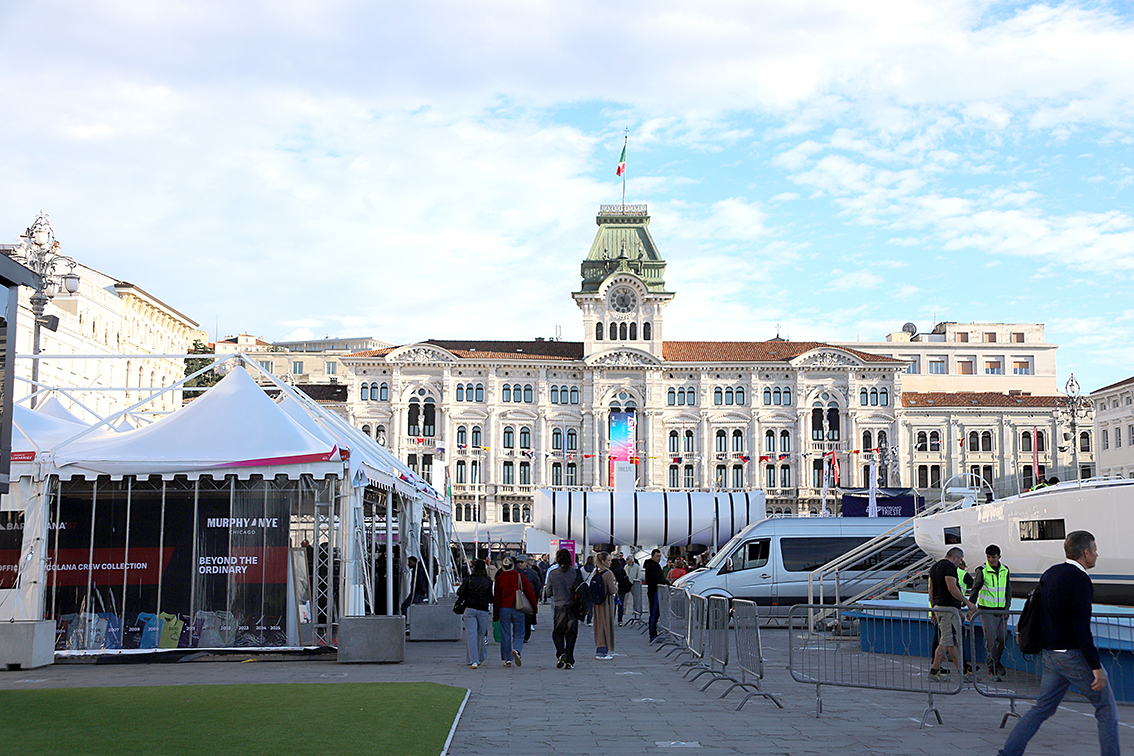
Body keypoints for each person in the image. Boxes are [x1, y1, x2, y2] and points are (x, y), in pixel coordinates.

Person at [999, 531, 1119, 756]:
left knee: (1041, 709)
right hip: (1072, 656)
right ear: (1086, 553)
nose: (1097, 554)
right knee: (1106, 710)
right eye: (1095, 550)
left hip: (1050, 656)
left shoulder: (1051, 573)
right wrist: (1095, 667)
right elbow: (1081, 628)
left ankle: (1008, 753)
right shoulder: (1080, 580)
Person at [928, 546, 978, 681]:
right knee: (946, 641)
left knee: (952, 642)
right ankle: (934, 671)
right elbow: (952, 588)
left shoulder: (934, 567)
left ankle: (962, 672)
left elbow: (931, 591)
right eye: (960, 560)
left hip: (941, 608)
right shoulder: (950, 567)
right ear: (955, 557)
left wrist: (934, 610)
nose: (960, 563)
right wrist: (968, 603)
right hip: (947, 610)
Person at [970, 544, 1012, 680]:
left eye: (993, 557)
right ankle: (992, 669)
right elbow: (975, 589)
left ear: (999, 557)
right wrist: (971, 607)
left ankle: (996, 661)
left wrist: (1007, 608)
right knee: (991, 641)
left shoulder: (1005, 570)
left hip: (1001, 611)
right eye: (988, 557)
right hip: (986, 611)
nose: (990, 560)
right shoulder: (982, 570)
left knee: (1003, 638)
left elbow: (1008, 591)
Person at [493, 556, 537, 668]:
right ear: (513, 565)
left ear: (502, 566)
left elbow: (496, 598)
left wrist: (495, 614)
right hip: (518, 607)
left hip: (504, 608)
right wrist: (534, 608)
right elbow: (529, 592)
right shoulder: (519, 576)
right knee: (519, 632)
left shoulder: (499, 579)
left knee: (505, 633)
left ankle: (507, 659)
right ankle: (517, 650)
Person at [547, 547, 581, 669]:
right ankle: (569, 660)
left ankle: (561, 652)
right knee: (571, 634)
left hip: (559, 606)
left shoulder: (553, 574)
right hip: (572, 606)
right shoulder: (575, 573)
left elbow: (548, 592)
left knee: (558, 632)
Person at [457, 559, 492, 668]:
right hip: (483, 609)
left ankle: (473, 660)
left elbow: (459, 592)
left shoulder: (469, 579)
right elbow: (490, 597)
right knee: (481, 634)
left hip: (469, 608)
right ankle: (480, 657)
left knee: (471, 634)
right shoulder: (488, 580)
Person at [591, 551, 618, 659]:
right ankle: (602, 651)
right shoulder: (608, 573)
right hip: (606, 602)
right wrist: (616, 586)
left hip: (597, 602)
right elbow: (612, 590)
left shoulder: (596, 572)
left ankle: (599, 648)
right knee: (606, 624)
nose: (610, 562)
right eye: (608, 560)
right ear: (603, 561)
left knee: (599, 624)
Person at [516, 554, 543, 642]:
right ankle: (519, 635)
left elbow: (538, 585)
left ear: (526, 563)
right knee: (518, 618)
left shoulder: (532, 573)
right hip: (517, 598)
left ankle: (526, 636)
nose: (519, 564)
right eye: (518, 562)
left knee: (527, 618)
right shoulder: (515, 572)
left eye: (521, 562)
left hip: (528, 598)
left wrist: (532, 593)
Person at [644, 548, 665, 640]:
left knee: (656, 613)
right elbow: (656, 579)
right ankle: (652, 633)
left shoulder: (656, 565)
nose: (659, 558)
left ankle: (654, 632)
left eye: (660, 556)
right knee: (654, 612)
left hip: (656, 590)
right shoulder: (651, 566)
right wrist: (666, 582)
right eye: (657, 556)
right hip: (654, 591)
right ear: (652, 556)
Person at [611, 553, 632, 626]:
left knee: (612, 606)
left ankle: (612, 619)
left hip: (613, 590)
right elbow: (625, 580)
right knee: (620, 605)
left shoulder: (611, 571)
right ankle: (620, 620)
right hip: (621, 590)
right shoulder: (622, 570)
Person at [624, 554, 642, 620]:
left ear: (631, 560)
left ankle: (635, 610)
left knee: (636, 597)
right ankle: (624, 610)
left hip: (633, 584)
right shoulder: (625, 567)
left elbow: (639, 575)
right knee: (625, 597)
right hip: (627, 584)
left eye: (627, 559)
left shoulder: (636, 566)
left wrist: (636, 581)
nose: (626, 561)